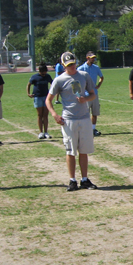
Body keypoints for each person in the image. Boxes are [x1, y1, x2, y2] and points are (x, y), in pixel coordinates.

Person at [46, 51, 99, 191]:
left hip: (84, 118)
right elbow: (48, 100)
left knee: (84, 150)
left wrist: (85, 99)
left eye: (74, 64)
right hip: (68, 120)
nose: (72, 67)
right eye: (69, 65)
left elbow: (93, 94)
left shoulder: (84, 76)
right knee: (70, 151)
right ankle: (72, 180)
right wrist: (54, 115)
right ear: (63, 66)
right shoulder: (59, 80)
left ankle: (85, 179)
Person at [77, 51, 104, 136]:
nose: (93, 59)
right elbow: (76, 81)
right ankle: (85, 129)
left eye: (94, 57)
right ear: (87, 58)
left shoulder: (96, 68)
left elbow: (101, 77)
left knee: (95, 112)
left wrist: (98, 85)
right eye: (92, 57)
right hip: (85, 95)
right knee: (85, 113)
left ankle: (93, 129)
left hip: (94, 94)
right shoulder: (81, 68)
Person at [27, 63, 53, 139]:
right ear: (40, 71)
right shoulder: (35, 77)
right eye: (43, 72)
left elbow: (52, 84)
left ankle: (46, 132)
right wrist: (28, 93)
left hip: (46, 97)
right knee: (39, 115)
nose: (44, 74)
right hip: (37, 97)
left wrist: (51, 92)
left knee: (45, 115)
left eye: (45, 72)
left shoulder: (47, 76)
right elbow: (29, 84)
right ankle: (40, 132)